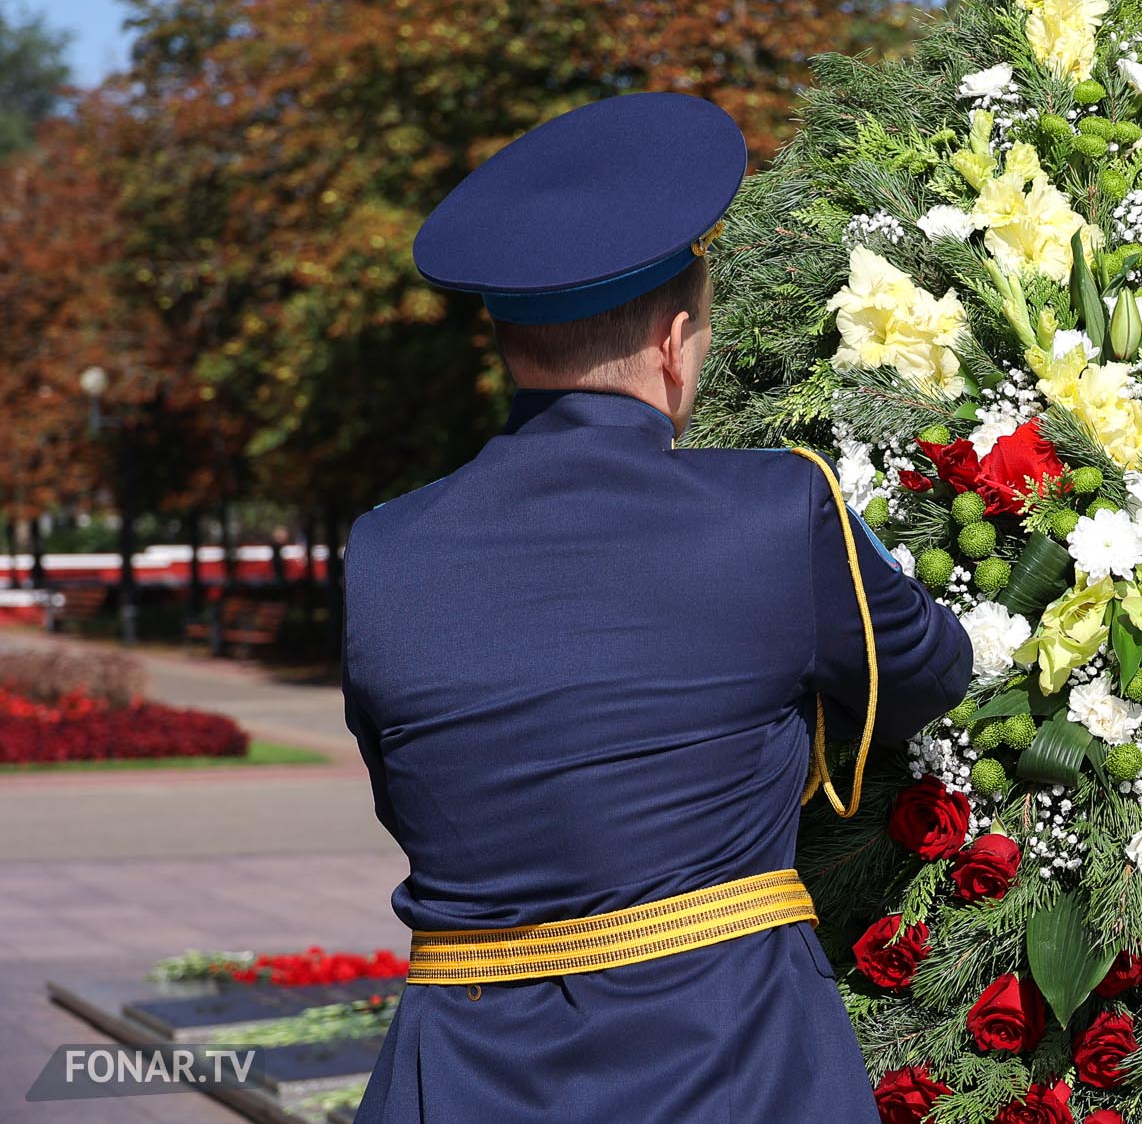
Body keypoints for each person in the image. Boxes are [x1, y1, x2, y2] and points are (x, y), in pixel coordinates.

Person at [342, 92, 973, 1122]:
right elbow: (929, 672)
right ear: (677, 340)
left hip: (457, 1073)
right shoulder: (777, 509)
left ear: (508, 345)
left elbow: (405, 786)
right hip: (730, 1064)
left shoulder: (384, 548)